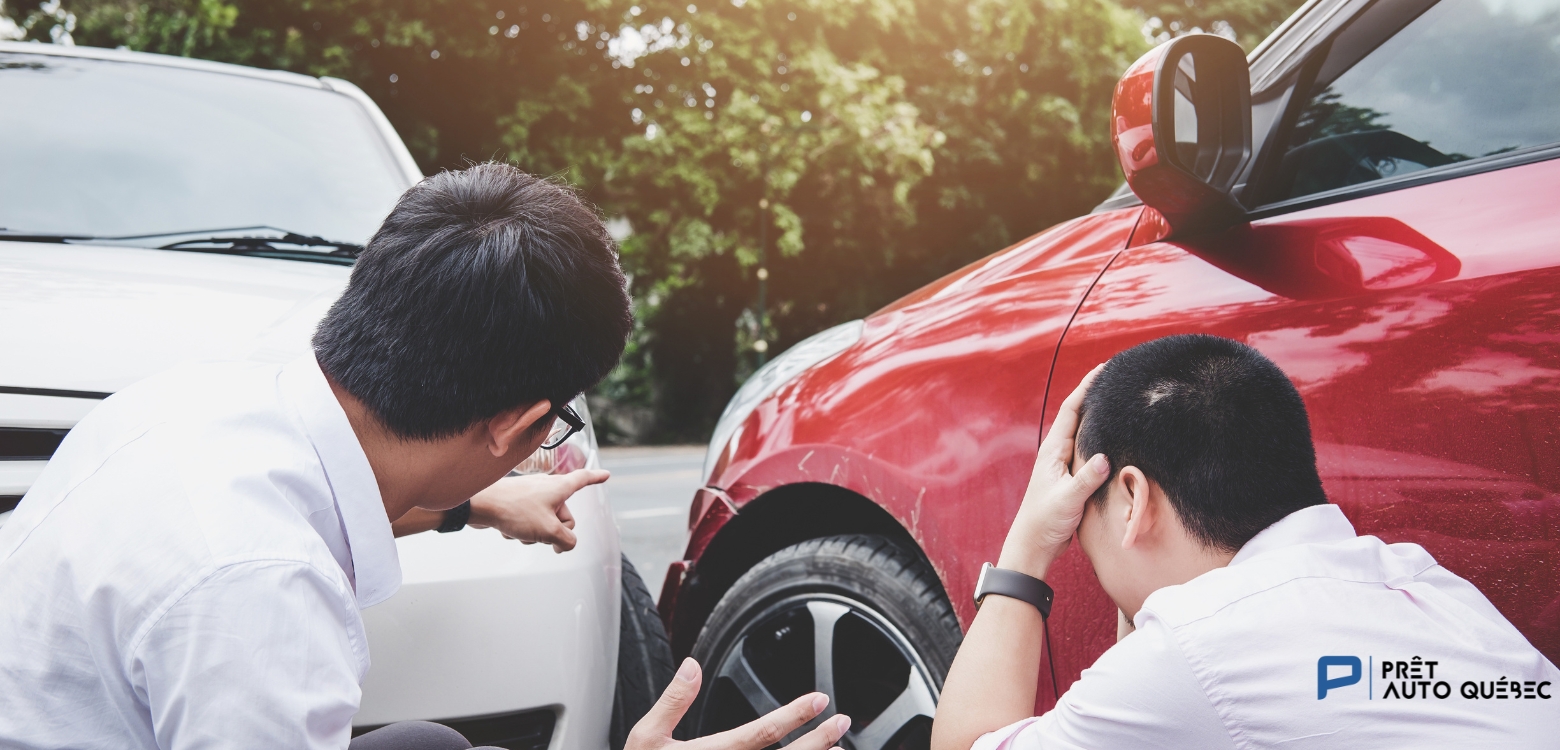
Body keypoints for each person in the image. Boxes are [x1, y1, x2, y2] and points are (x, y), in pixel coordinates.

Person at [0, 163, 851, 750]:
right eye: (546, 432)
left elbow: (319, 503)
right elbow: (257, 568)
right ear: (514, 427)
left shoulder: (196, 399)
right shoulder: (263, 601)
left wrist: (474, 505)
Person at [931, 334, 1558, 749]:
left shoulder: (1198, 650)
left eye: (1084, 539)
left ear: (1131, 500)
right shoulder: (1429, 586)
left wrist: (1028, 548)